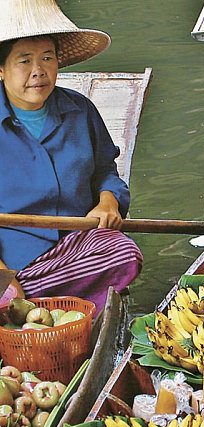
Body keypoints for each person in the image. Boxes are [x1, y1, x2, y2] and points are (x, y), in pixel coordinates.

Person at [0, 0, 143, 311]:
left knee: (124, 254)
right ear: (1, 69)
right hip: (13, 257)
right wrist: (3, 275)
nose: (38, 72)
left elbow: (105, 171)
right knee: (4, 293)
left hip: (78, 247)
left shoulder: (81, 110)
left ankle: (35, 304)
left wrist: (108, 202)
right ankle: (51, 301)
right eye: (24, 61)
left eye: (47, 58)